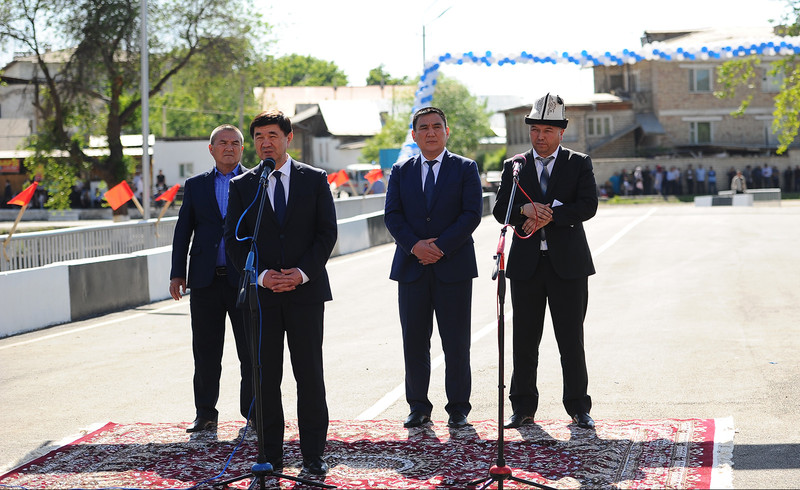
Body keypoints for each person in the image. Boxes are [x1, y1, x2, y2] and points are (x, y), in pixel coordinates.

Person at [224, 110, 337, 476]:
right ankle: (270, 454)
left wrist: (301, 274)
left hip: (306, 294)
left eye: (272, 135)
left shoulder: (314, 179)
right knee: (265, 377)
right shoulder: (243, 185)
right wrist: (261, 277)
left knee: (309, 376)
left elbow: (326, 233)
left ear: (289, 138)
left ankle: (313, 454)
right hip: (263, 298)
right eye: (258, 137)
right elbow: (234, 241)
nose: (265, 142)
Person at [492, 93, 598, 430]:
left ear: (561, 132)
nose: (540, 136)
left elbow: (588, 206)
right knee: (524, 340)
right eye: (535, 130)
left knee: (571, 340)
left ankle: (578, 407)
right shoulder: (515, 165)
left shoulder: (578, 163)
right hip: (526, 266)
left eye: (548, 130)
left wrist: (549, 216)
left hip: (568, 265)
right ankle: (522, 407)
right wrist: (524, 209)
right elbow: (499, 210)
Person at [384, 106, 483, 430]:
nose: (430, 132)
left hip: (453, 267)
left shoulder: (465, 168)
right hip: (411, 267)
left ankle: (458, 408)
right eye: (423, 127)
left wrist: (439, 247)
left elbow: (471, 214)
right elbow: (392, 215)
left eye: (437, 126)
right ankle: (418, 407)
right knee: (414, 341)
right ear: (414, 135)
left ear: (446, 131)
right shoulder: (401, 170)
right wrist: (415, 246)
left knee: (456, 342)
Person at [169, 124, 253, 434]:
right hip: (204, 281)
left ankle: (254, 413)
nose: (229, 147)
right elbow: (183, 232)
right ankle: (205, 413)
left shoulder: (255, 182)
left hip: (244, 281)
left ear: (242, 149)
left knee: (250, 352)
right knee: (205, 353)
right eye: (223, 143)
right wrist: (177, 273)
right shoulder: (195, 185)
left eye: (235, 143)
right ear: (211, 149)